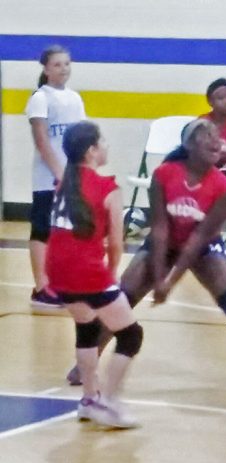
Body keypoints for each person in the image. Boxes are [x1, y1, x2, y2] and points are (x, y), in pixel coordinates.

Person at [67, 119, 226, 388]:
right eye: (208, 135)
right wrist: (158, 276)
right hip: (164, 243)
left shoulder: (223, 186)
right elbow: (159, 229)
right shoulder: (165, 174)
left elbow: (199, 239)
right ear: (189, 144)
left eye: (218, 135)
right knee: (121, 297)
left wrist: (170, 282)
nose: (217, 140)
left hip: (203, 248)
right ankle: (89, 359)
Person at [47, 122, 142, 428]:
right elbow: (116, 242)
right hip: (86, 272)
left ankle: (88, 399)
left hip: (56, 270)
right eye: (103, 141)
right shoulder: (108, 190)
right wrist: (110, 275)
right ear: (91, 151)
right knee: (131, 334)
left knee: (86, 326)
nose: (107, 146)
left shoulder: (64, 182)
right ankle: (108, 402)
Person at [25, 45, 86, 308]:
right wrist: (59, 173)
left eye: (67, 64)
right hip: (47, 177)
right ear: (46, 69)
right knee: (43, 229)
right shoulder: (41, 97)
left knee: (66, 231)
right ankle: (41, 287)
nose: (63, 69)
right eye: (58, 64)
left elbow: (82, 138)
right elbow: (42, 141)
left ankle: (60, 282)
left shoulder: (75, 98)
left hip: (71, 175)